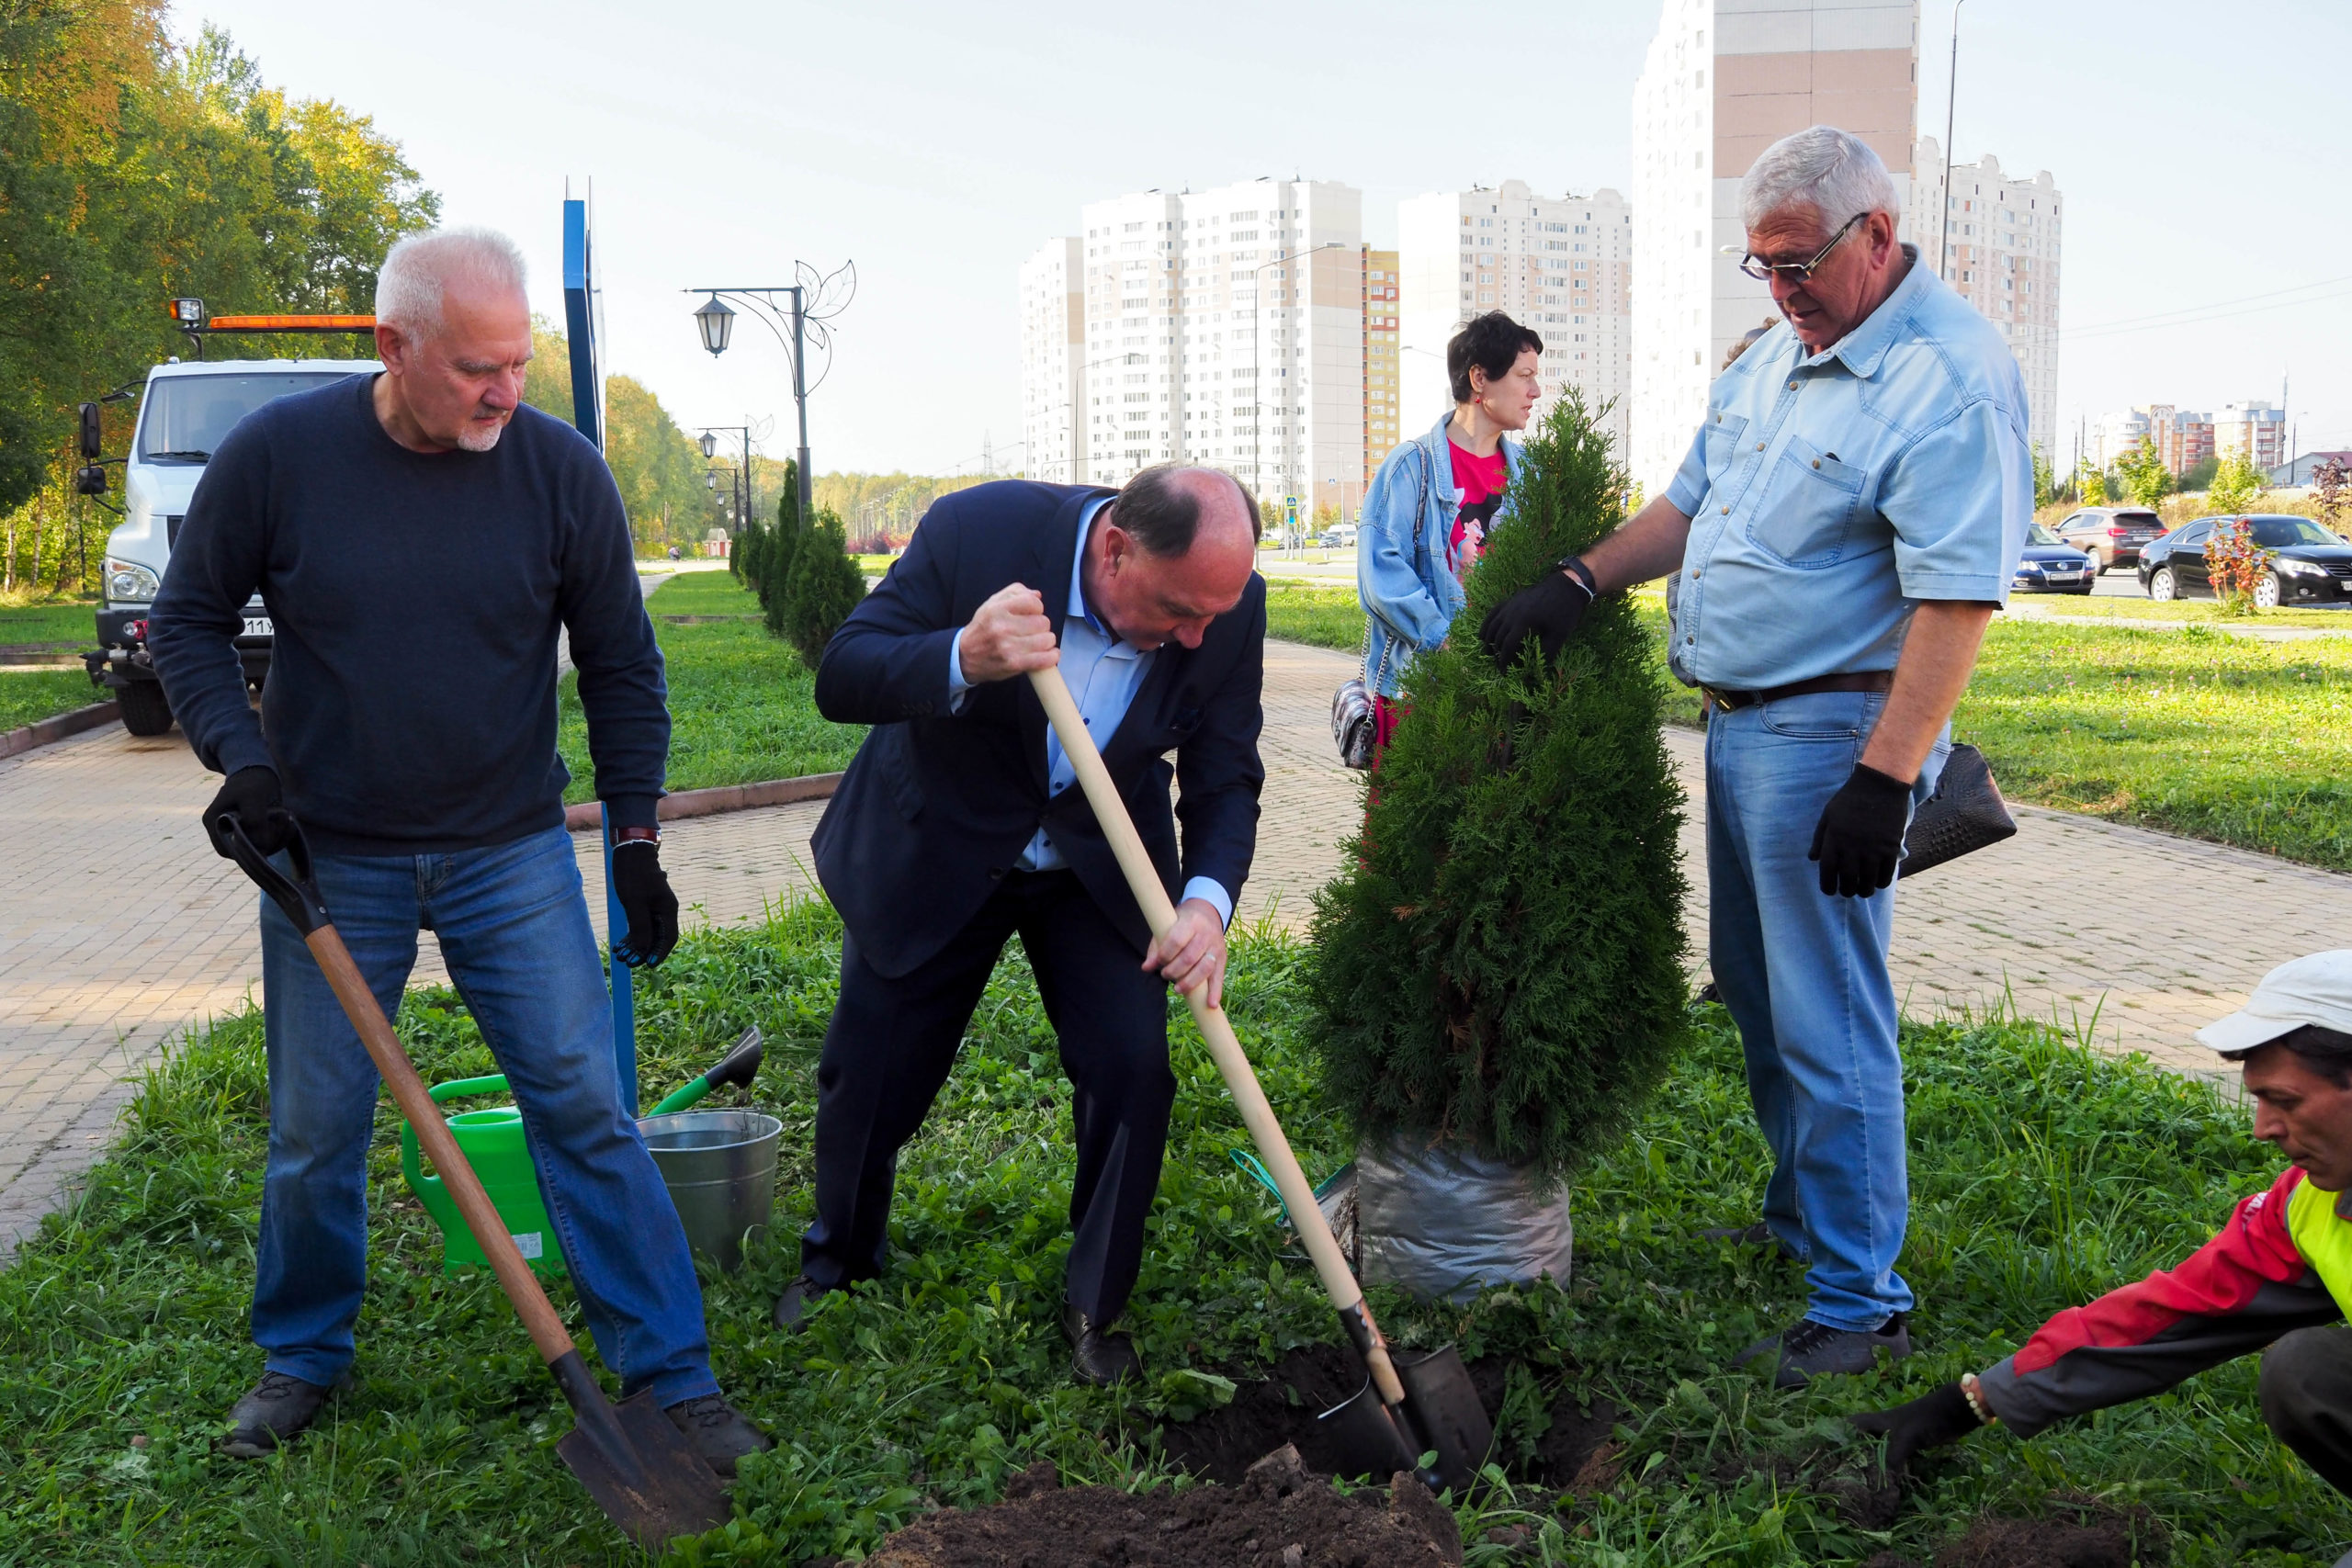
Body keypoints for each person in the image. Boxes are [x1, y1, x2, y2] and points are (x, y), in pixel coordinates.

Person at [147, 227, 769, 1473]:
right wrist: (245, 762)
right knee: (319, 1122)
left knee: (585, 1107)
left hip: (509, 850)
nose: (504, 389)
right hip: (330, 860)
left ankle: (672, 1372)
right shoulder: (283, 457)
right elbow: (188, 618)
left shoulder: (559, 472)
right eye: (478, 366)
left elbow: (622, 666)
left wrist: (637, 838)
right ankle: (303, 1353)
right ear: (396, 346)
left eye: (519, 363)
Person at [1479, 125, 2032, 1384]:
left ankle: (1861, 1298)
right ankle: (1807, 1227)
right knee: (1762, 992)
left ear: (1878, 235)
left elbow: (1956, 599)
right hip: (1738, 725)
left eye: (1799, 262)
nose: (1781, 288)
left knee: (1829, 1015)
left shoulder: (1948, 377)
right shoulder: (1777, 359)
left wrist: (1887, 776)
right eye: (1761, 265)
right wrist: (1582, 575)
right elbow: (1690, 502)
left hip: (1834, 728)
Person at [773, 465, 1265, 1385]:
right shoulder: (978, 531)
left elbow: (1224, 767)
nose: (1200, 634)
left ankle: (1095, 1304)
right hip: (940, 841)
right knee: (871, 1073)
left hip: (1095, 865)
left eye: (1214, 613)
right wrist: (960, 653)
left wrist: (1205, 899)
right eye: (1179, 610)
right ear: (1115, 549)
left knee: (1133, 1071)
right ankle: (837, 1262)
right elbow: (844, 672)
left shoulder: (1222, 603)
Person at [1858, 951, 2352, 1558]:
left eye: (2287, 1101)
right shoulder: (2308, 1207)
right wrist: (1966, 1403)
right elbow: (2171, 1313)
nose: (2262, 1127)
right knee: (2308, 1368)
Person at [1355, 311, 1543, 754]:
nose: (1536, 391)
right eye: (1524, 376)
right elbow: (1379, 575)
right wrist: (1448, 644)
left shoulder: (1530, 474)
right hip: (1418, 696)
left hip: (1501, 697)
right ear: (1479, 378)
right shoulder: (1410, 467)